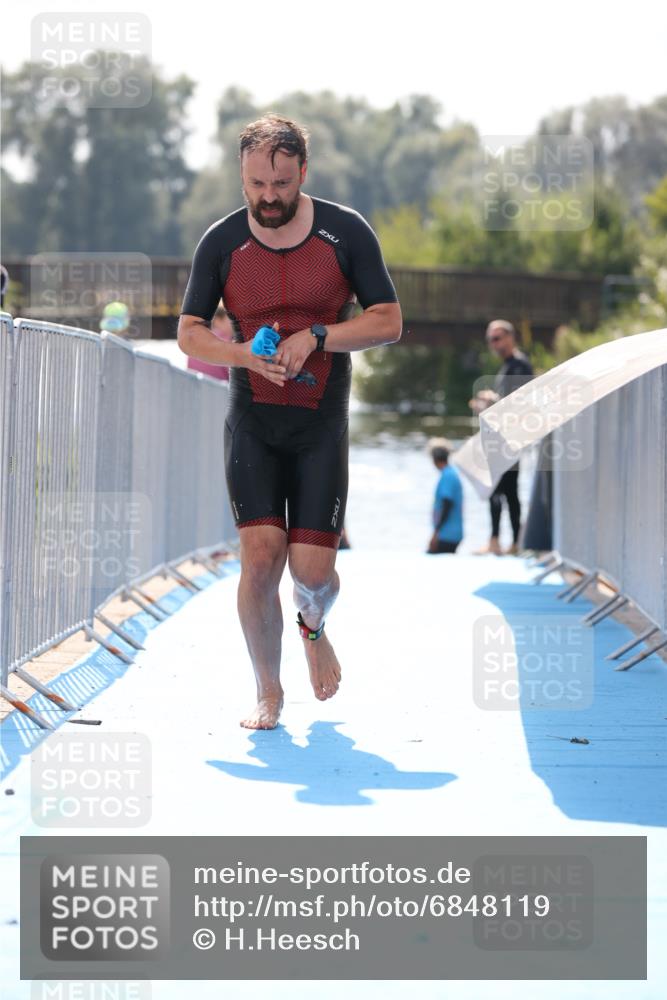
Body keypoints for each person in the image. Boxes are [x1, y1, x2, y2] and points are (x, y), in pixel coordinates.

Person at [177, 113, 402, 730]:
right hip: (252, 419)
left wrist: (321, 336)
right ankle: (268, 692)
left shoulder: (344, 232)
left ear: (303, 171)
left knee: (313, 571)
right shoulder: (221, 243)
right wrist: (244, 353)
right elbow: (188, 331)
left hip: (319, 425)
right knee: (260, 556)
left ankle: (313, 625)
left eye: (280, 183)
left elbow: (388, 321)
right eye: (255, 184)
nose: (268, 198)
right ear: (242, 178)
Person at [469, 319, 534, 555]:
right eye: (490, 340)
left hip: (510, 440)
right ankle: (502, 541)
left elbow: (520, 403)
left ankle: (510, 541)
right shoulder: (508, 366)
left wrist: (491, 402)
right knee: (502, 491)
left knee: (504, 491)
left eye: (497, 338)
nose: (493, 344)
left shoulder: (519, 365)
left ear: (510, 337)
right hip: (502, 439)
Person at [426, 439, 463, 554]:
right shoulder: (450, 473)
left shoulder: (448, 476)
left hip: (447, 534)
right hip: (451, 532)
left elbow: (447, 504)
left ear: (435, 459)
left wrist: (436, 532)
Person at [186, 305, 233, 380]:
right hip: (219, 388)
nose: (235, 324)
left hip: (197, 386)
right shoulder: (225, 343)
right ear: (218, 321)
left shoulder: (198, 340)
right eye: (231, 320)